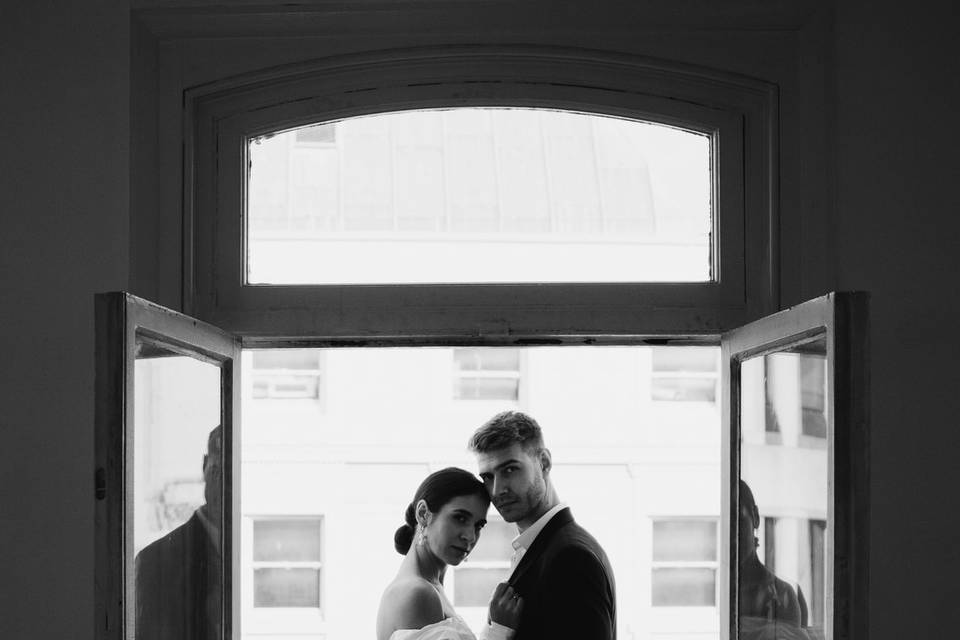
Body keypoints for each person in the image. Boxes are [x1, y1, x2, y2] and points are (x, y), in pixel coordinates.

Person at [468, 411, 616, 640]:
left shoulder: (572, 557)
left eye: (510, 470)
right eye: (488, 477)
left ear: (544, 462)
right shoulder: (544, 547)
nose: (497, 490)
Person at [377, 467, 524, 640]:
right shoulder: (418, 593)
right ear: (423, 514)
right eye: (460, 518)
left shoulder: (430, 586)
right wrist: (499, 631)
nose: (470, 536)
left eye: (478, 525)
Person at [135, 425, 223, 640]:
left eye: (236, 475)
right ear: (204, 466)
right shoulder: (156, 561)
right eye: (218, 471)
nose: (226, 486)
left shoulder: (258, 553)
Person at [738, 479, 809, 640]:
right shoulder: (719, 596)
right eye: (725, 525)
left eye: (738, 521)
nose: (732, 536)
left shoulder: (784, 595)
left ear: (755, 517)